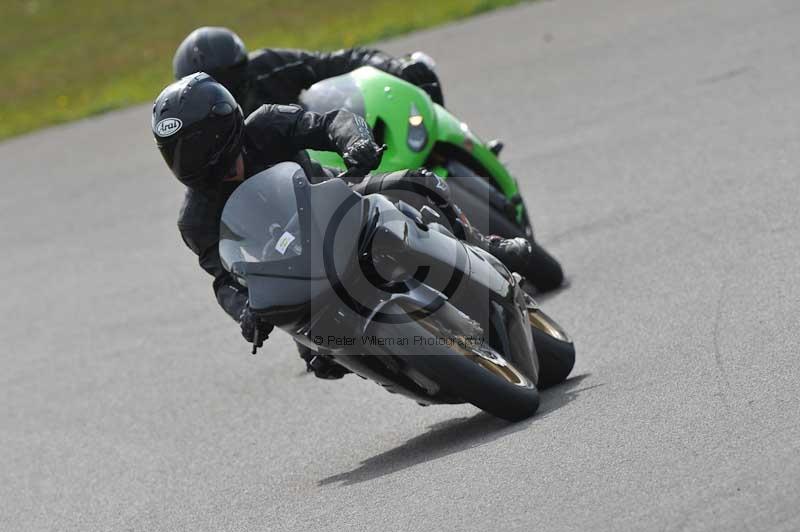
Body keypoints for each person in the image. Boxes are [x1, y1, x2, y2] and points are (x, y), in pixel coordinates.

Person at [152, 74, 539, 378]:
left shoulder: (266, 124)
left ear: (221, 126)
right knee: (321, 360)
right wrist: (244, 313)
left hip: (340, 196)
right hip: (293, 265)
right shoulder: (196, 219)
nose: (186, 160)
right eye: (174, 152)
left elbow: (330, 123)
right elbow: (223, 278)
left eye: (193, 145)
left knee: (418, 182)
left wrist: (356, 142)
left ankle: (483, 243)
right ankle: (403, 367)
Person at [172, 26, 443, 117]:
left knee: (420, 72)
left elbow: (338, 61)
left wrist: (393, 66)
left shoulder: (268, 67)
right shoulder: (198, 137)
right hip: (293, 205)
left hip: (337, 151)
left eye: (230, 79)